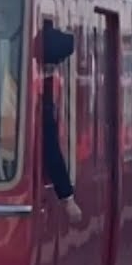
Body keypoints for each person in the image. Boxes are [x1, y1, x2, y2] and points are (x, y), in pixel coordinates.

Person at [41, 26, 81, 224]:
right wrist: (67, 198)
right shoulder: (38, 93)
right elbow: (49, 145)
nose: (52, 71)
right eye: (53, 66)